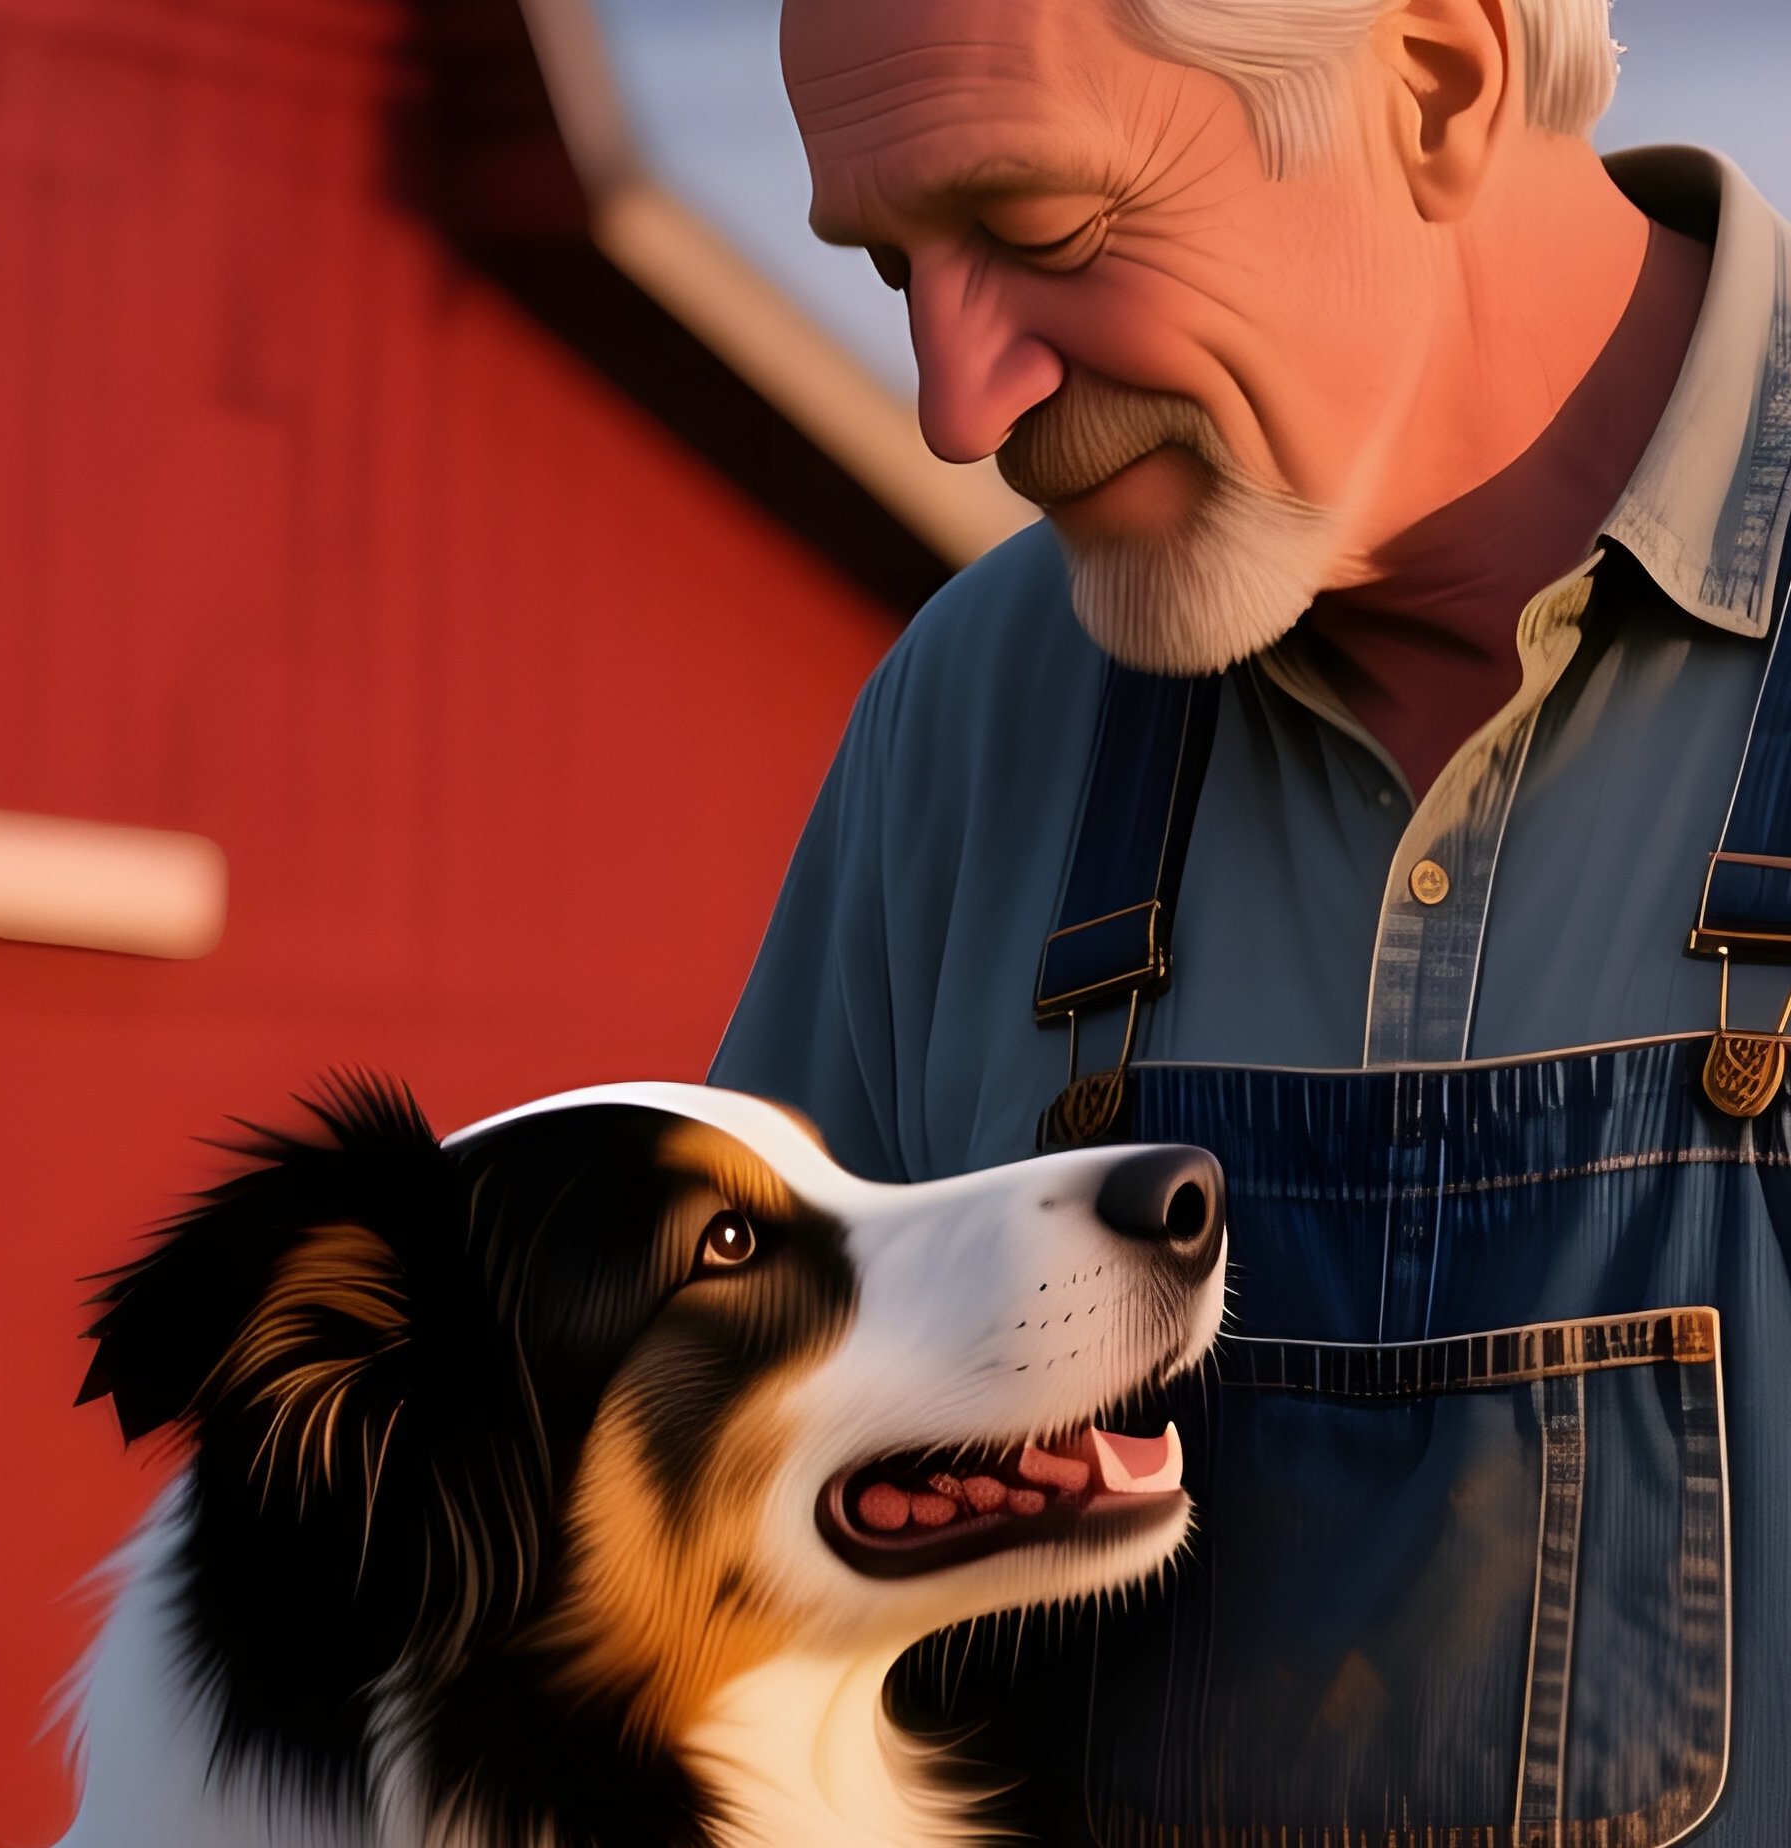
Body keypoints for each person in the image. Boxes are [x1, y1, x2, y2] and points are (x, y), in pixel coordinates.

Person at [713, 0, 1791, 1839]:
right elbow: (709, 1597)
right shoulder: (974, 719)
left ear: (1437, 81)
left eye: (1045, 232)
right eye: (899, 268)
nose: (959, 411)